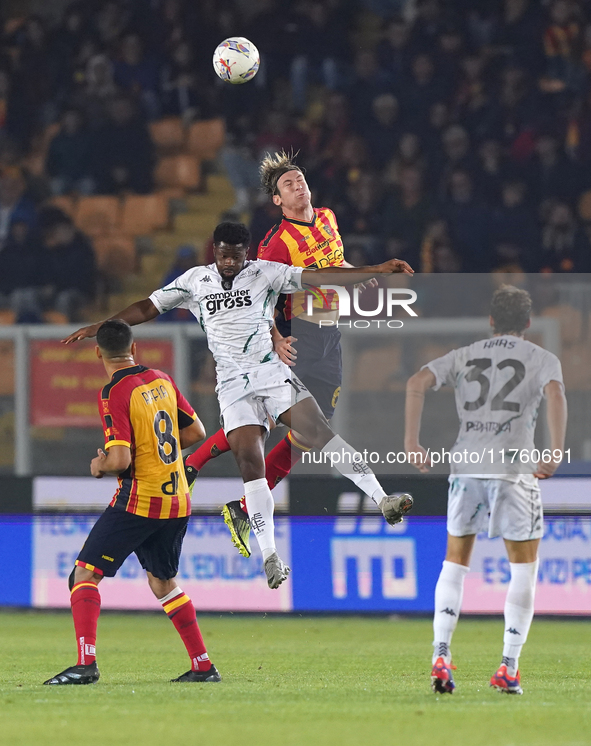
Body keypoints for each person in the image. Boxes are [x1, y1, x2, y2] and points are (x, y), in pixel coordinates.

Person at [63, 222, 415, 590]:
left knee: (318, 433)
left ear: (246, 252)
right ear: (214, 250)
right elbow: (149, 306)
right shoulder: (196, 281)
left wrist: (375, 270)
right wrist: (103, 325)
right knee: (251, 463)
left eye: (235, 254)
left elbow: (318, 277)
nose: (228, 261)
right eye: (222, 253)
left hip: (271, 375)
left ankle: (382, 498)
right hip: (232, 387)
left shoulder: (266, 273)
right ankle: (270, 557)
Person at [185, 151, 377, 560]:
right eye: (288, 184)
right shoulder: (275, 243)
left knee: (310, 430)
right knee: (282, 419)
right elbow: (258, 296)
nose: (298, 185)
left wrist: (359, 276)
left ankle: (238, 507)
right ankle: (194, 465)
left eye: (300, 179)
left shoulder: (326, 218)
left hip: (329, 332)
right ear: (277, 200)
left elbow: (334, 263)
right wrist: (274, 338)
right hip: (298, 334)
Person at [404, 285, 567, 696]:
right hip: (514, 470)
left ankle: (441, 654)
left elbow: (417, 381)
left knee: (455, 561)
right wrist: (556, 450)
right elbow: (555, 393)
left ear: (491, 321)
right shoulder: (542, 358)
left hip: (467, 466)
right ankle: (508, 666)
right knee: (523, 568)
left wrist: (411, 442)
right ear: (529, 324)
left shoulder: (466, 354)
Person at [45, 320, 220, 685]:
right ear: (134, 348)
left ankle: (85, 665)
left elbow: (120, 460)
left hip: (141, 500)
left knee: (84, 575)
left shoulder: (113, 392)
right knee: (163, 582)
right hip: (177, 499)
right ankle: (203, 666)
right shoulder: (162, 378)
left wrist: (99, 465)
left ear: (98, 353)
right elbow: (195, 432)